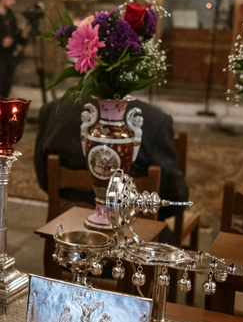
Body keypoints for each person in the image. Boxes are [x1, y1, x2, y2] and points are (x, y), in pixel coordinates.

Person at [34, 95, 189, 227]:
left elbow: (44, 179)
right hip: (135, 235)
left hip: (65, 228)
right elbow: (174, 197)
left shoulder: (54, 110)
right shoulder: (155, 120)